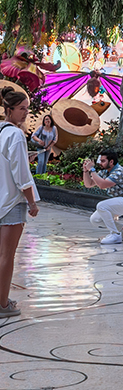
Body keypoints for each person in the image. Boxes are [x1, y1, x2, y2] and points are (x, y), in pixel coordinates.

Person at [0, 86, 39, 318]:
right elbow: (21, 174)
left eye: (27, 109)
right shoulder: (14, 134)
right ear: (9, 109)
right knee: (7, 255)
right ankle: (3, 304)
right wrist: (32, 203)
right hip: (12, 201)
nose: (25, 113)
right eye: (22, 109)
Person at [83, 149, 123, 244]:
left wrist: (92, 170)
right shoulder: (105, 171)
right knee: (95, 219)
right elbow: (89, 184)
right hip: (119, 201)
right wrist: (85, 171)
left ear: (111, 162)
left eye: (103, 161)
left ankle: (115, 234)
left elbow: (102, 185)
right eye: (100, 161)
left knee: (101, 206)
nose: (100, 163)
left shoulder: (120, 171)